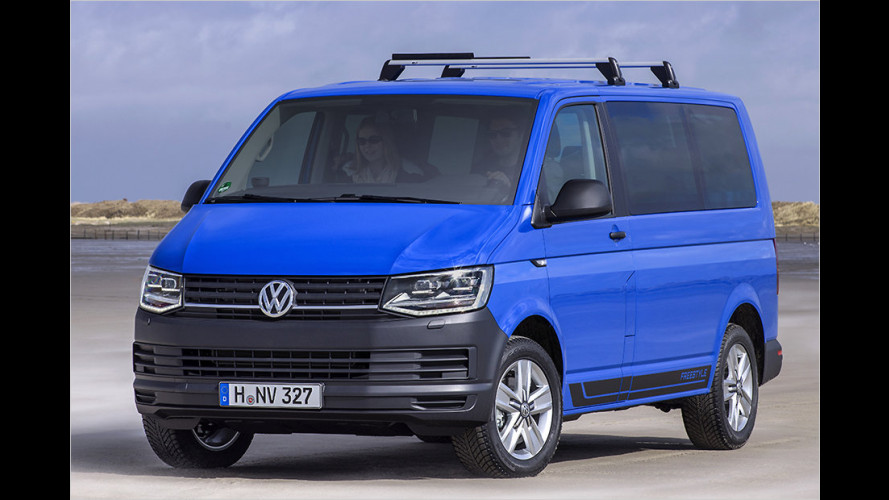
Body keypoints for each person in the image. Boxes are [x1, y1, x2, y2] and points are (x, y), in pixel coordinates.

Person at [342, 117, 425, 183]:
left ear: (386, 141)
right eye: (362, 141)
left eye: (373, 140)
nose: (367, 145)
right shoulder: (347, 172)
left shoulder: (409, 171)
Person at [472, 116, 526, 191]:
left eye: (506, 133)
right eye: (492, 134)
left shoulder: (530, 171)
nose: (498, 140)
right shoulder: (480, 168)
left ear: (521, 135)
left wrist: (509, 189)